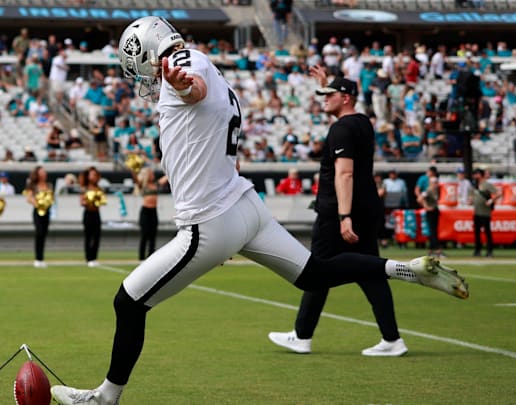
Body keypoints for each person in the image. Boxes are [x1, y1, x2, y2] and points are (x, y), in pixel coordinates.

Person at [51, 17, 469, 405]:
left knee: (128, 302)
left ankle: (105, 397)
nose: (144, 77)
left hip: (209, 222)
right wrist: (185, 86)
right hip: (245, 206)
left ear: (148, 51)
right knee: (315, 274)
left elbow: (190, 84)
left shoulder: (183, 63)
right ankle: (406, 269)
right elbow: (197, 90)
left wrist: (181, 85)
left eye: (139, 64)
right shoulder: (208, 66)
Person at [268, 75, 406, 357]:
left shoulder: (342, 128)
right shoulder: (363, 122)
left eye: (330, 94)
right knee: (370, 273)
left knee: (317, 269)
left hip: (339, 213)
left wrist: (344, 216)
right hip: (365, 209)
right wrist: (328, 81)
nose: (324, 98)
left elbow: (345, 173)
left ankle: (302, 335)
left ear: (346, 97)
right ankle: (392, 339)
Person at [131, 167, 168, 261]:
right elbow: (135, 180)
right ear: (147, 175)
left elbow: (166, 178)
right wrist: (133, 170)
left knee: (153, 236)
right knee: (144, 235)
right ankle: (141, 258)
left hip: (154, 212)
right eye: (151, 174)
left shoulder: (155, 184)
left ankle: (151, 258)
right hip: (145, 212)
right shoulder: (143, 185)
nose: (153, 175)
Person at [25, 166, 53, 268]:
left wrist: (47, 204)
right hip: (38, 212)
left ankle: (41, 258)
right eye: (42, 172)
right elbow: (29, 198)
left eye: (44, 172)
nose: (44, 173)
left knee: (44, 234)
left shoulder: (48, 185)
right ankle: (37, 258)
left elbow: (51, 197)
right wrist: (38, 204)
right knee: (39, 233)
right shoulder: (33, 185)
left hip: (47, 211)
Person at [471, 168, 498, 257]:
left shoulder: (487, 184)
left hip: (485, 212)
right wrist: (471, 201)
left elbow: (498, 193)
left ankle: (489, 250)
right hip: (476, 211)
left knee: (487, 232)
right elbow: (473, 196)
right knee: (477, 232)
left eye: (476, 174)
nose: (474, 176)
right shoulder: (475, 185)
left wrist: (491, 200)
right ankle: (477, 250)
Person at [80, 166, 103, 267]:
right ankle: (89, 258)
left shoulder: (98, 188)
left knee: (97, 236)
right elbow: (82, 202)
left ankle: (94, 257)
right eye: (92, 175)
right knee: (88, 236)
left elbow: (102, 201)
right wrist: (88, 201)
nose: (94, 177)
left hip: (96, 214)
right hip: (88, 213)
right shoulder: (85, 188)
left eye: (95, 175)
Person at [418, 176, 444, 257]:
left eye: (436, 182)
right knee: (433, 231)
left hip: (435, 211)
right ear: (430, 183)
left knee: (434, 231)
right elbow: (419, 199)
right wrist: (426, 207)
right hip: (431, 212)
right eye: (434, 182)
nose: (436, 184)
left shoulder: (436, 190)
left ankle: (431, 250)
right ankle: (438, 250)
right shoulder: (428, 190)